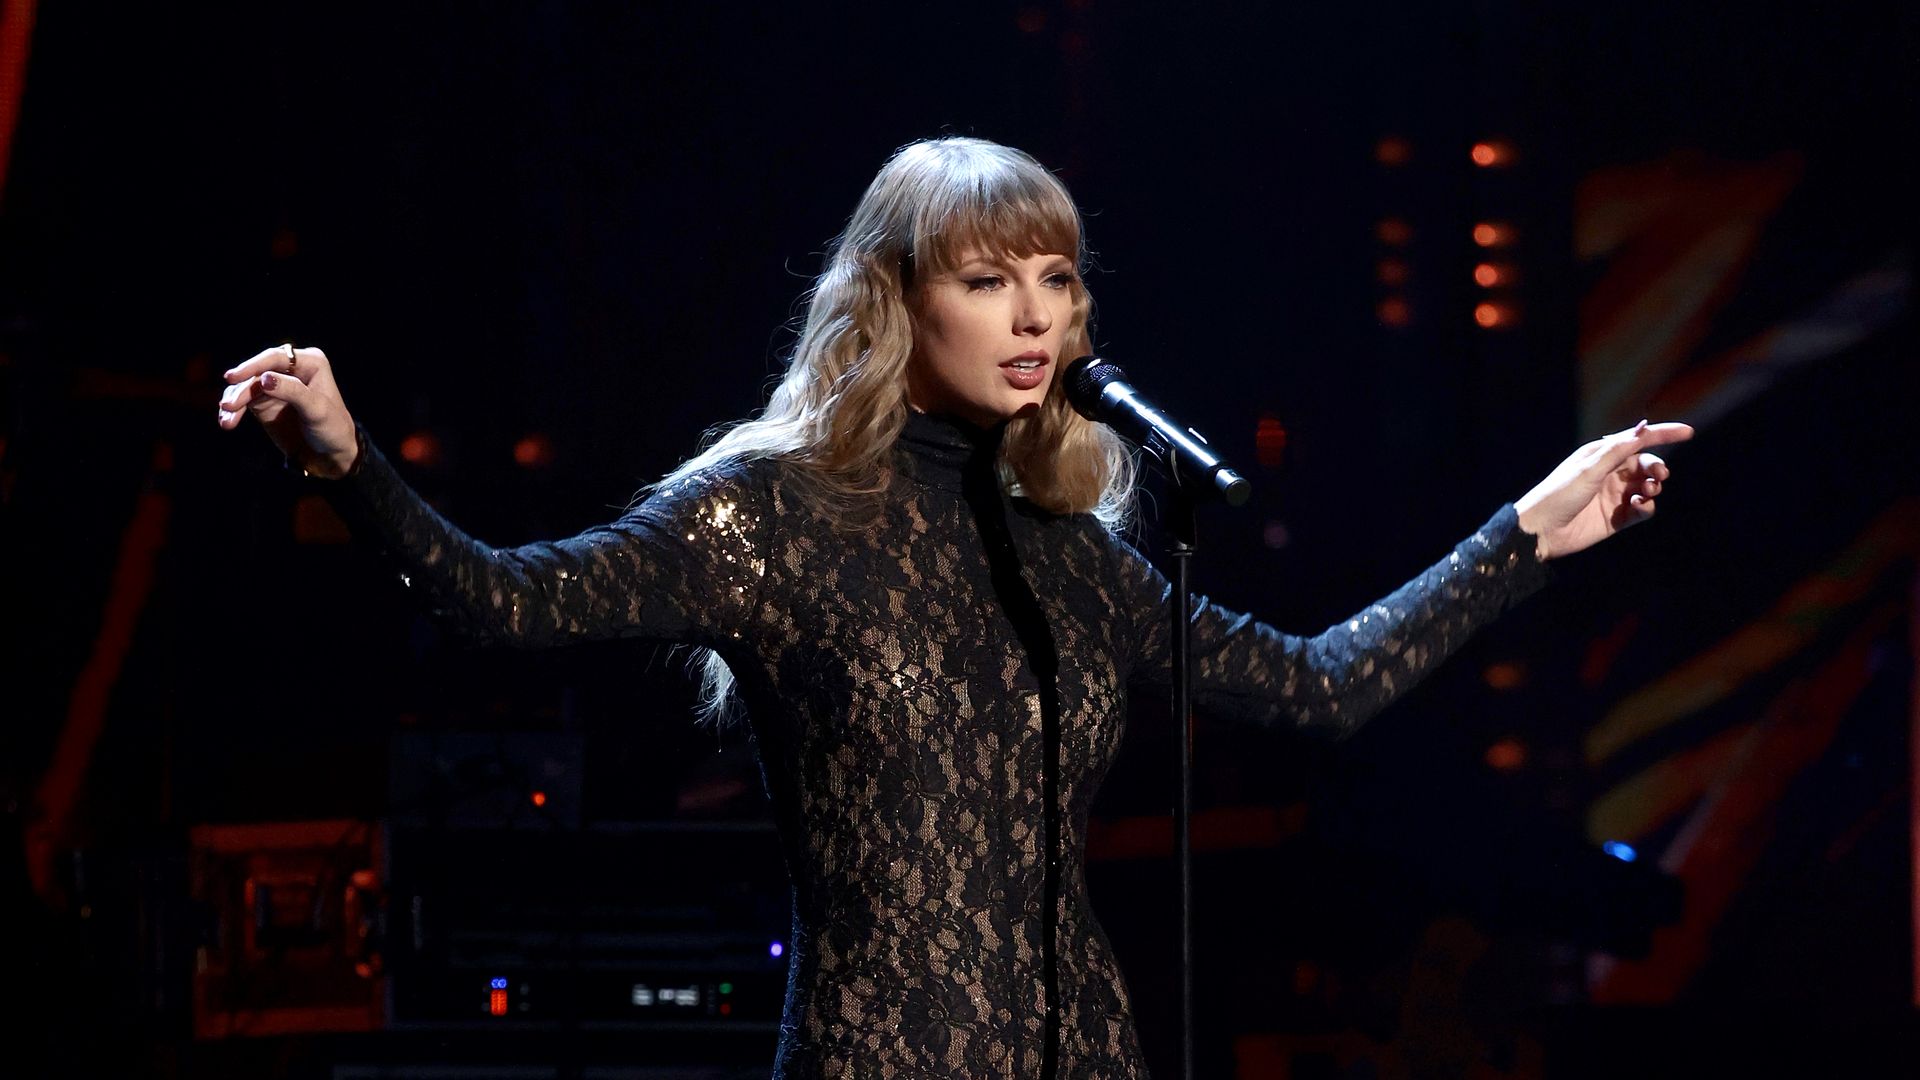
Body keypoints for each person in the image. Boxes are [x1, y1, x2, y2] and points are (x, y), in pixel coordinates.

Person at [215, 136, 1691, 1078]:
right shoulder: (772, 512)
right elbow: (499, 607)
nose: (1038, 313)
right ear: (900, 302)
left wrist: (1524, 533)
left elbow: (1314, 688)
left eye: (1057, 277)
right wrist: (350, 468)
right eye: (990, 279)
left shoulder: (1063, 543)